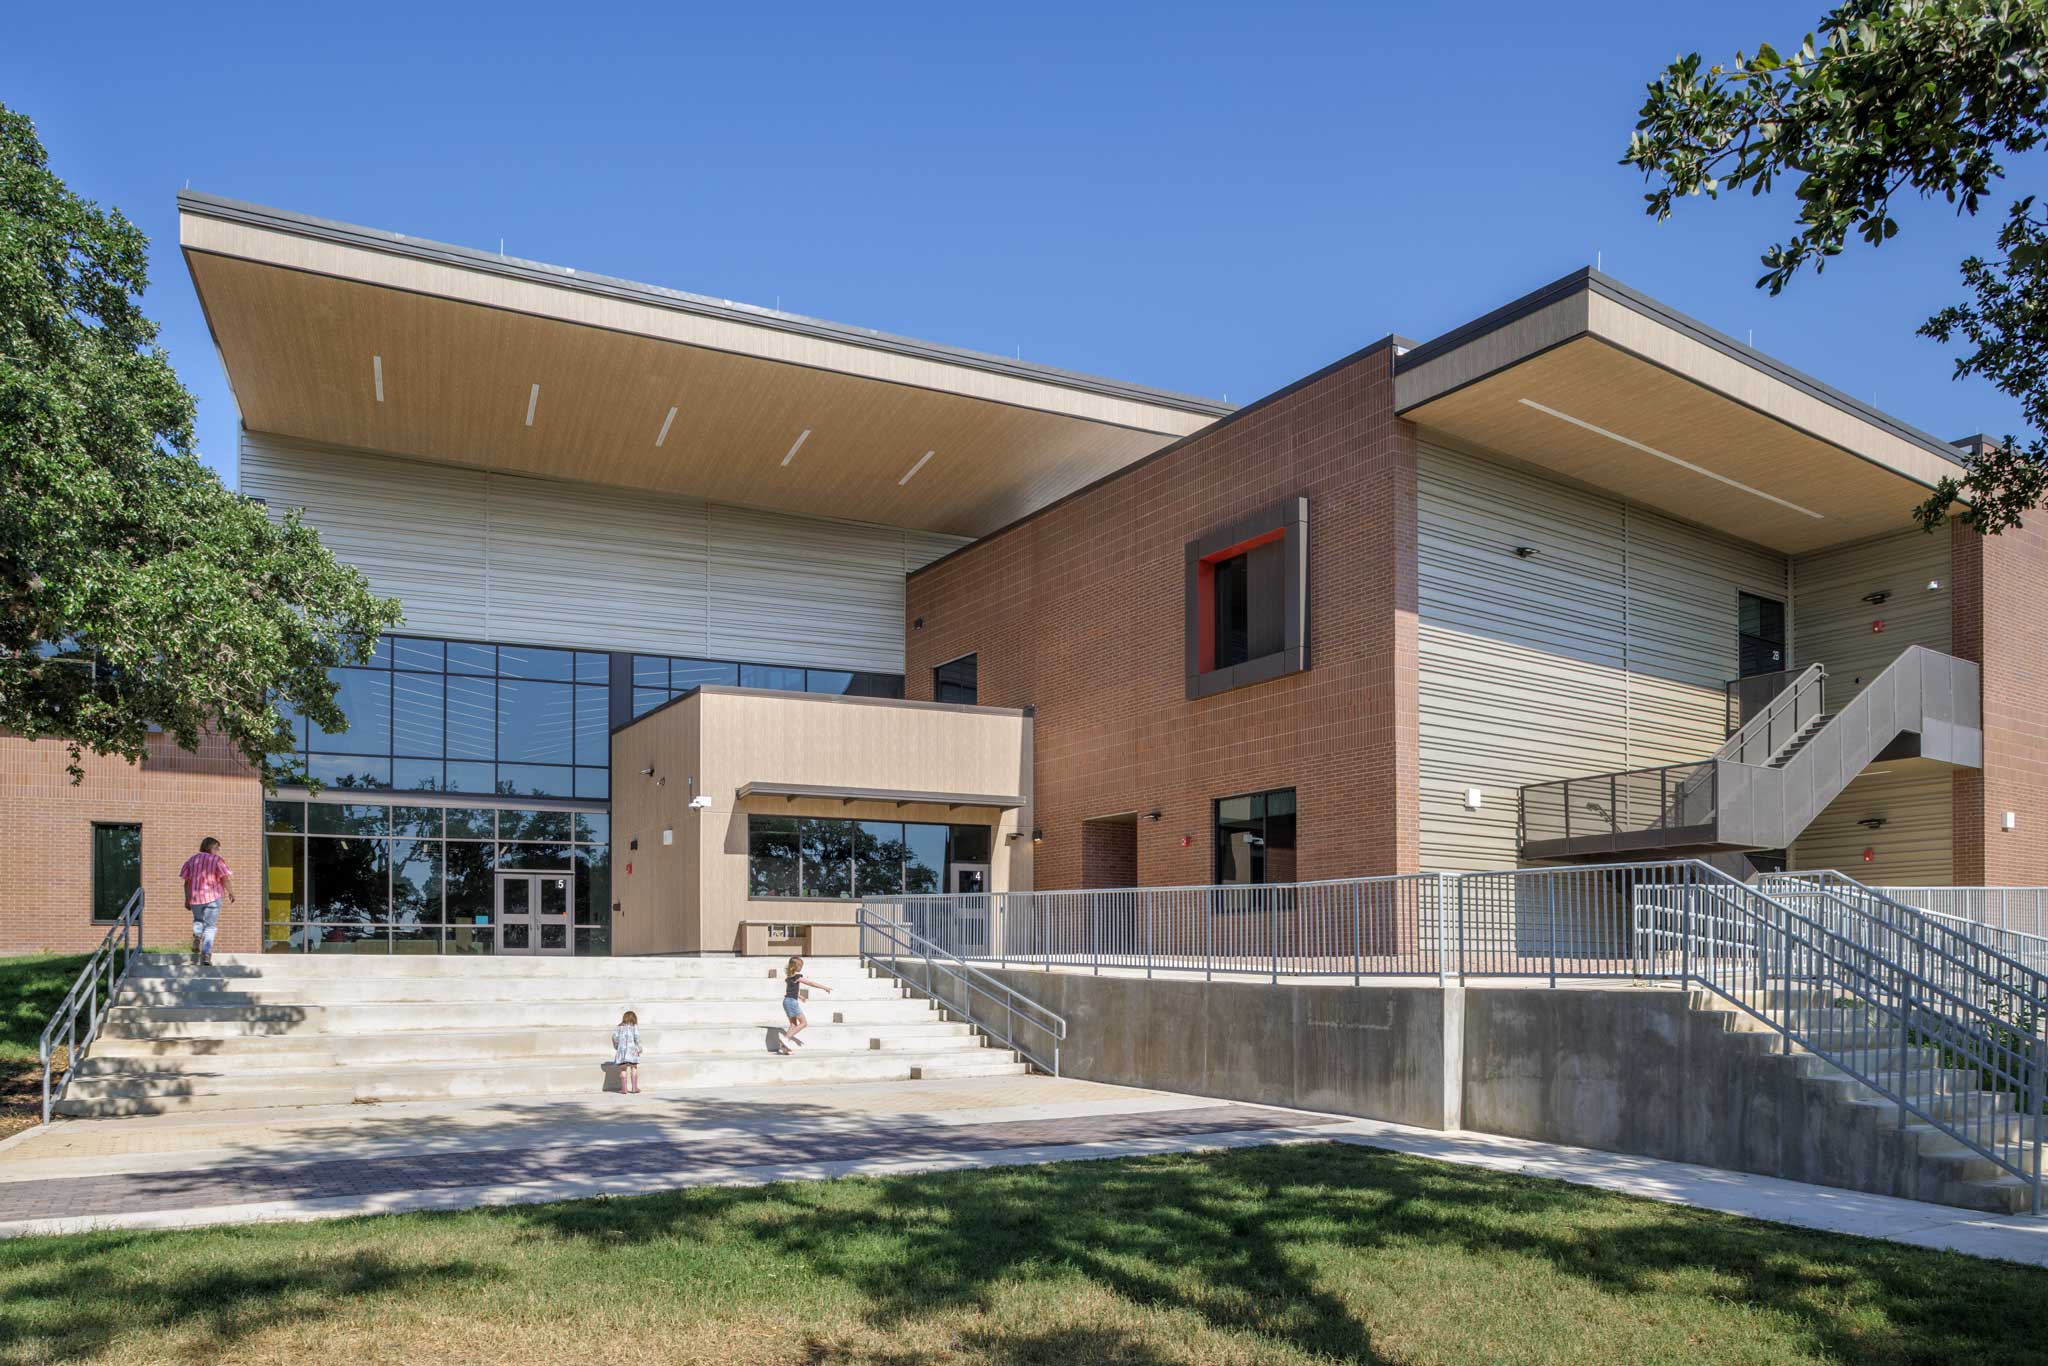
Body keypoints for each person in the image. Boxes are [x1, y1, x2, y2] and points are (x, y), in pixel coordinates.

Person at [179, 837, 235, 966]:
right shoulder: (217, 860)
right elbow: (225, 879)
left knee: (198, 920)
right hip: (213, 898)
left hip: (195, 898)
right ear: (209, 847)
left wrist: (187, 899)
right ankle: (206, 955)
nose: (218, 850)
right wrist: (231, 892)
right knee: (210, 927)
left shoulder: (192, 860)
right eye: (216, 848)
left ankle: (197, 936)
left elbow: (186, 883)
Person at [778, 956, 832, 1055]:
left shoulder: (789, 978)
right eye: (800, 965)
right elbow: (810, 983)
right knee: (803, 1023)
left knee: (793, 1025)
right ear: (796, 966)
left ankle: (783, 1048)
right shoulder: (797, 977)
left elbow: (790, 991)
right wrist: (825, 987)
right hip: (791, 1002)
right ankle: (785, 1039)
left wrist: (800, 996)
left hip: (787, 1001)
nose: (801, 968)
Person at [611, 1010, 642, 1094]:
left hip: (622, 1052)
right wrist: (639, 1048)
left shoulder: (618, 1027)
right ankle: (634, 1088)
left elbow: (614, 1038)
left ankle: (624, 1089)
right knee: (634, 1067)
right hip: (632, 1051)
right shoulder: (634, 1027)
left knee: (623, 1069)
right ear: (634, 1019)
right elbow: (637, 1038)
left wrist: (617, 1047)